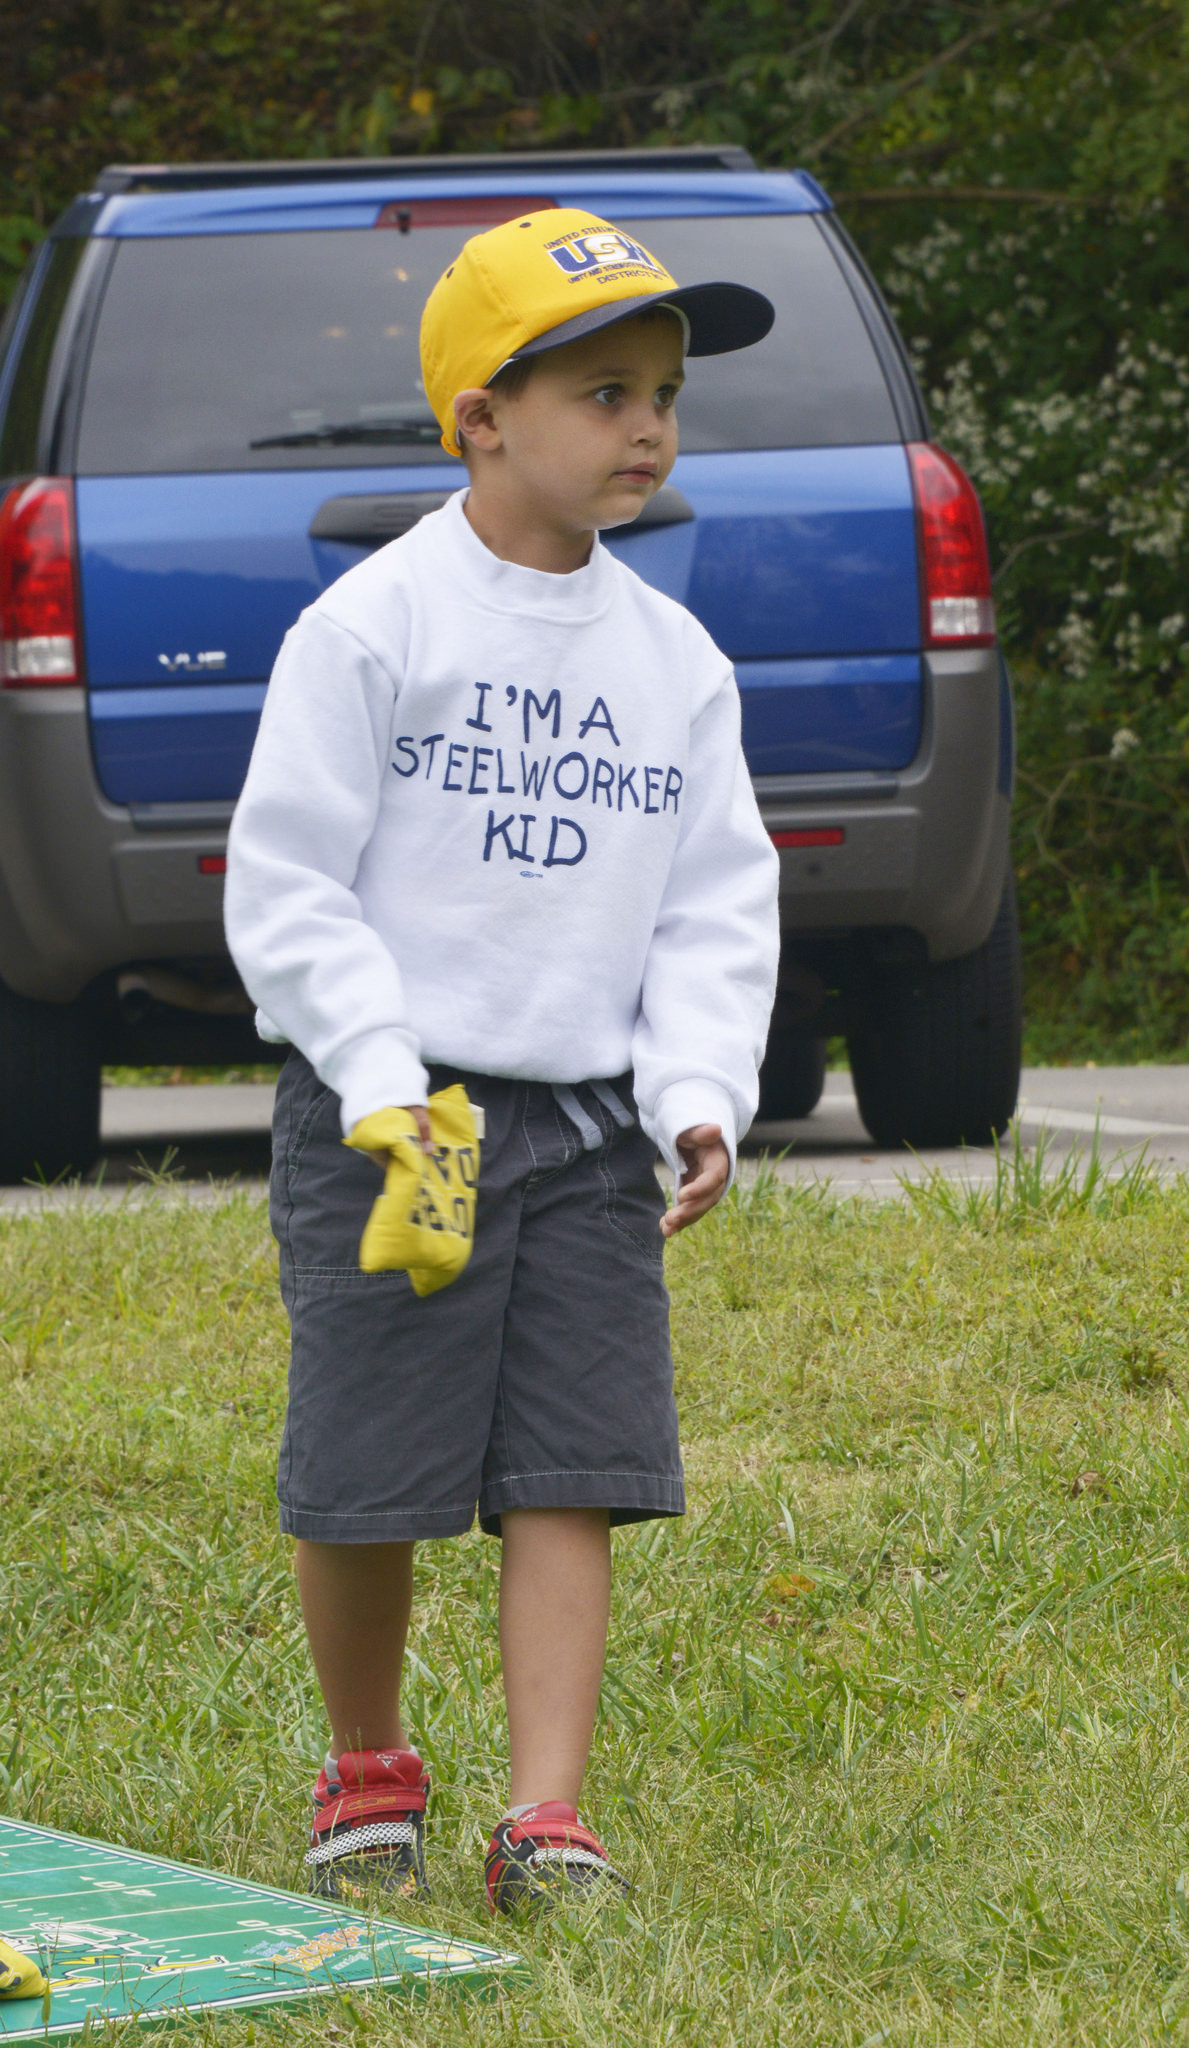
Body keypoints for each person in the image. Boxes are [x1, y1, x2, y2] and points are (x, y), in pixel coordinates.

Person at [224, 207, 780, 1917]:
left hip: (591, 1130)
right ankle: (368, 1764)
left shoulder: (673, 662)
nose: (647, 428)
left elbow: (712, 903)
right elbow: (287, 883)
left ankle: (546, 1814)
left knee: (574, 1471)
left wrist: (698, 1091)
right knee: (367, 1472)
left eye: (663, 394)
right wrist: (374, 1069)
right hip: (405, 1119)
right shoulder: (375, 626)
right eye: (604, 393)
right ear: (480, 417)